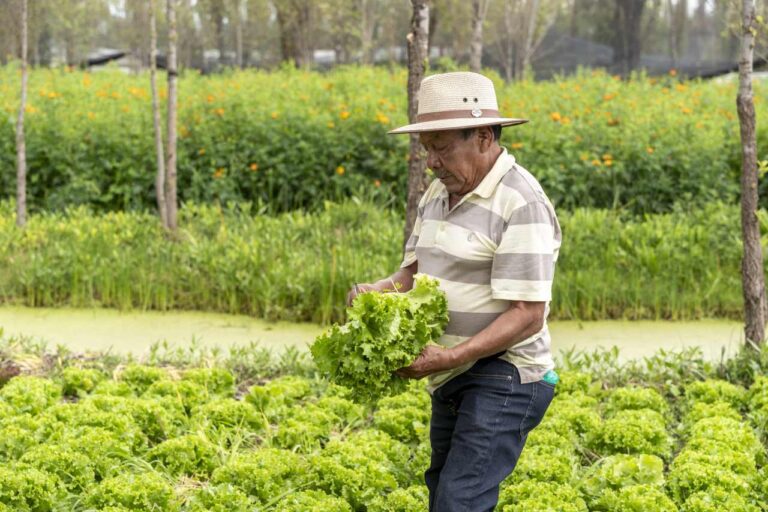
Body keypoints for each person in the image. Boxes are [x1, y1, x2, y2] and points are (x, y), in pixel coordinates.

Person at [347, 72, 562, 512]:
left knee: (458, 501)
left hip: (504, 374)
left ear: (483, 136)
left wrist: (448, 356)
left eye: (442, 148)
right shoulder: (438, 193)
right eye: (428, 149)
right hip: (453, 375)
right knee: (444, 492)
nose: (431, 162)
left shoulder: (521, 203)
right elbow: (413, 273)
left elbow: (527, 314)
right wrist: (377, 291)